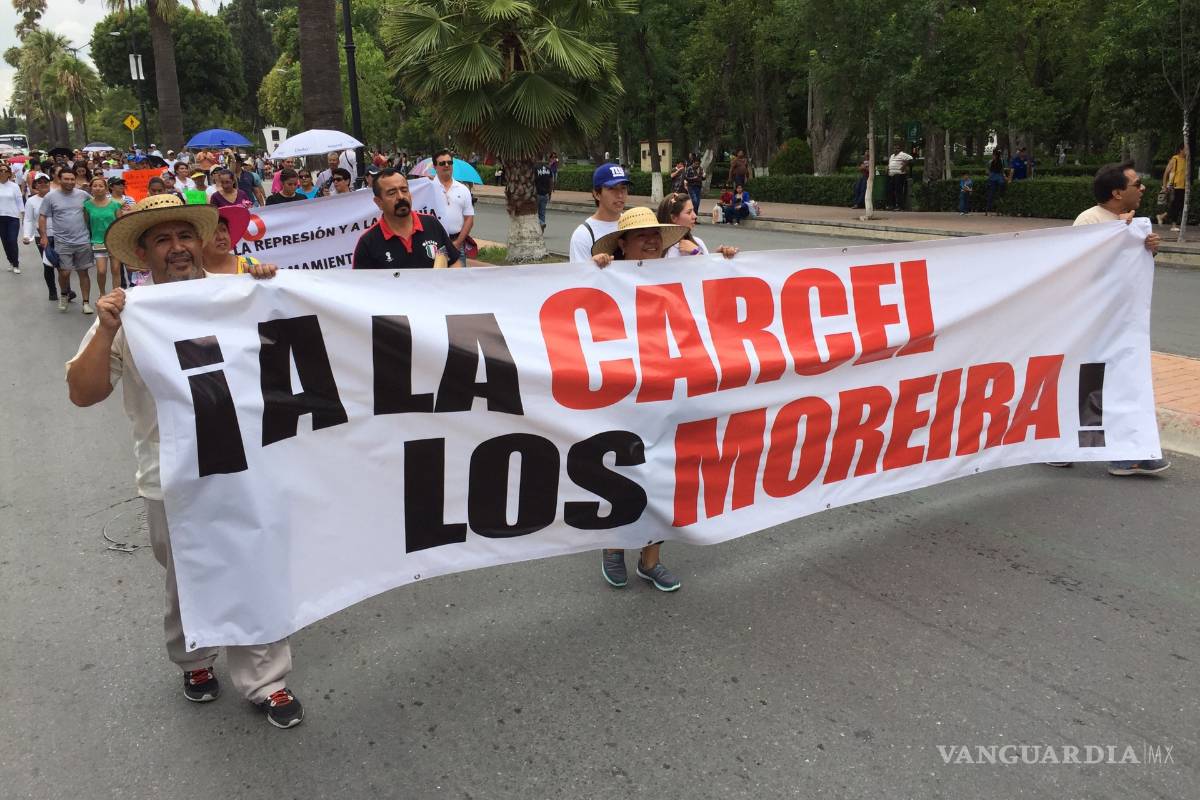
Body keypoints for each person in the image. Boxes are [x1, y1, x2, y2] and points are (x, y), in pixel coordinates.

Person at [65, 194, 304, 729]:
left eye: (185, 236)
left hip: (248, 463)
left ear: (201, 241)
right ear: (144, 254)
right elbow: (83, 393)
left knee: (255, 560)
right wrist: (105, 329)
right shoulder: (131, 313)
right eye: (162, 240)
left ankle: (267, 679)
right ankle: (194, 658)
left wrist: (272, 289)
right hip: (169, 474)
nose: (177, 248)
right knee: (186, 571)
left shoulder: (241, 295)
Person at [587, 206, 699, 592]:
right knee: (624, 470)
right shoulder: (603, 276)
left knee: (664, 474)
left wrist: (727, 262)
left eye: (655, 235)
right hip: (622, 391)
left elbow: (710, 301)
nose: (651, 241)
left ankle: (651, 559)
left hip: (667, 389)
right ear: (622, 244)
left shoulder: (679, 273)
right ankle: (614, 546)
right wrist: (595, 270)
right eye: (640, 236)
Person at [1046, 162, 1168, 477]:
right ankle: (1070, 447)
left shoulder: (1133, 223)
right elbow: (1083, 265)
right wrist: (1118, 233)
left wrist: (1147, 249)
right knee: (1091, 385)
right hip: (1091, 321)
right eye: (1136, 184)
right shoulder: (1091, 220)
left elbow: (1129, 268)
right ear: (1117, 192)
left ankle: (1124, 454)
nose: (1142, 189)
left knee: (1118, 383)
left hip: (1120, 321)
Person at [352, 168, 459, 270]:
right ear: (378, 202)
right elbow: (361, 286)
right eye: (392, 193)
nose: (400, 197)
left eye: (404, 190)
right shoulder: (368, 242)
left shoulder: (431, 224)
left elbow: (454, 262)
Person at [39, 169, 94, 313]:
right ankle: (64, 294)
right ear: (59, 179)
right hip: (62, 241)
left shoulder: (83, 195)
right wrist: (44, 236)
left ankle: (86, 303)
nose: (70, 182)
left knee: (83, 272)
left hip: (83, 240)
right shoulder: (50, 197)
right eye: (66, 179)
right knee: (65, 273)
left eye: (72, 179)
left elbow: (97, 205)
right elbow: (42, 216)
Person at [568, 163, 631, 262]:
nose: (620, 195)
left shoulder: (632, 224)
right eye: (612, 188)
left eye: (623, 188)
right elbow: (580, 275)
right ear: (597, 194)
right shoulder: (583, 235)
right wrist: (592, 266)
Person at [656, 192, 738, 259]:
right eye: (689, 212)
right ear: (673, 217)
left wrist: (718, 258)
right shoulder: (655, 249)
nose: (695, 216)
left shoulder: (698, 243)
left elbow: (709, 273)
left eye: (693, 211)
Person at [431, 149, 475, 262]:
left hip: (457, 243)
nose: (446, 165)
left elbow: (469, 218)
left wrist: (458, 242)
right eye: (442, 163)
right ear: (435, 167)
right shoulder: (428, 188)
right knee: (435, 279)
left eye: (449, 162)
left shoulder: (463, 189)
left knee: (458, 279)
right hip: (433, 245)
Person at [83, 176, 120, 295]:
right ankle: (102, 294)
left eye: (101, 186)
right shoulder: (87, 205)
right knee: (101, 271)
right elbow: (87, 224)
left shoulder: (115, 204)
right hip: (97, 241)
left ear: (106, 188)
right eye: (95, 186)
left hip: (114, 241)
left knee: (115, 270)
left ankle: (116, 294)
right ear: (91, 189)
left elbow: (120, 223)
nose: (98, 188)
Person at [202, 204, 260, 274]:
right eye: (212, 232)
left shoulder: (251, 264)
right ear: (199, 241)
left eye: (223, 230)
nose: (221, 237)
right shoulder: (194, 273)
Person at [0, 162, 23, 273]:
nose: (3, 172)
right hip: (1, 218)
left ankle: (16, 264)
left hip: (13, 217)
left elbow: (19, 200)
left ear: (9, 173)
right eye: (1, 170)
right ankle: (11, 261)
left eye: (5, 170)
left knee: (12, 240)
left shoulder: (14, 186)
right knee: (5, 242)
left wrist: (22, 214)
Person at [1159, 144, 1187, 231]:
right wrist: (1164, 185)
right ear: (1180, 150)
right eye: (1185, 149)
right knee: (1175, 205)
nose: (1187, 151)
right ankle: (1173, 225)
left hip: (1183, 186)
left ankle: (1162, 216)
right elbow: (1166, 173)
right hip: (1175, 186)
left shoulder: (1186, 160)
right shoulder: (1175, 159)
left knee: (1179, 206)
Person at [885, 144, 913, 211]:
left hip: (899, 174)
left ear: (900, 149)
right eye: (894, 148)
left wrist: (904, 165)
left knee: (898, 190)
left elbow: (910, 158)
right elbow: (890, 164)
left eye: (897, 148)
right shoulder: (892, 156)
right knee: (890, 190)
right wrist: (888, 168)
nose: (895, 150)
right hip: (891, 175)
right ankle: (892, 205)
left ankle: (900, 206)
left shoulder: (902, 154)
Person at [984, 151, 1007, 215]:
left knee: (998, 193)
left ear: (996, 156)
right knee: (991, 194)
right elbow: (988, 170)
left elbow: (1002, 170)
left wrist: (1004, 176)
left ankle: (999, 208)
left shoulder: (1001, 161)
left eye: (993, 155)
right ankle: (988, 209)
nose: (993, 156)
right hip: (994, 178)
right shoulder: (991, 162)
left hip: (997, 177)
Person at [534, 157, 553, 231]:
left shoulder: (534, 168)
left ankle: (541, 223)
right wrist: (550, 192)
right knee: (542, 212)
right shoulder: (548, 168)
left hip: (537, 193)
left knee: (534, 213)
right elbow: (551, 181)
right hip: (545, 194)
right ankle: (541, 229)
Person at [684, 155, 705, 219]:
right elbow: (686, 177)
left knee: (697, 203)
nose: (697, 165)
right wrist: (694, 178)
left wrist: (704, 176)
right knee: (694, 201)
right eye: (696, 163)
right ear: (693, 163)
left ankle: (694, 218)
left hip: (698, 187)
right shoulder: (689, 168)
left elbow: (704, 178)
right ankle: (690, 215)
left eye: (698, 163)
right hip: (691, 187)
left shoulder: (701, 169)